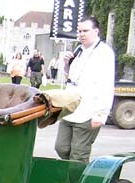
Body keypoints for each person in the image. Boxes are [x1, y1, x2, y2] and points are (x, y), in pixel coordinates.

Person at [55, 16, 115, 163]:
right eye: (80, 31)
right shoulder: (79, 50)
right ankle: (73, 173)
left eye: (85, 31)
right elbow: (72, 77)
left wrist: (101, 114)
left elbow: (107, 85)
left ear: (96, 31)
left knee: (79, 154)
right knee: (61, 147)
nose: (81, 34)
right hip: (70, 110)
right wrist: (67, 64)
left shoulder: (104, 53)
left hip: (89, 111)